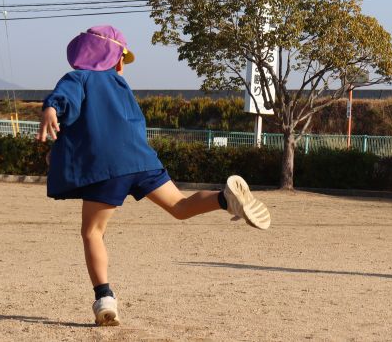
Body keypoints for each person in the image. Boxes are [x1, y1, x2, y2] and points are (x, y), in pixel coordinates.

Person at [36, 25, 271, 326]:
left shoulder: (78, 77)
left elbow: (65, 101)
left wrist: (51, 109)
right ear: (114, 59)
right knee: (179, 207)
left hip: (110, 168)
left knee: (93, 232)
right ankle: (224, 199)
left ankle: (104, 298)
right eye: (122, 57)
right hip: (142, 159)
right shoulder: (120, 87)